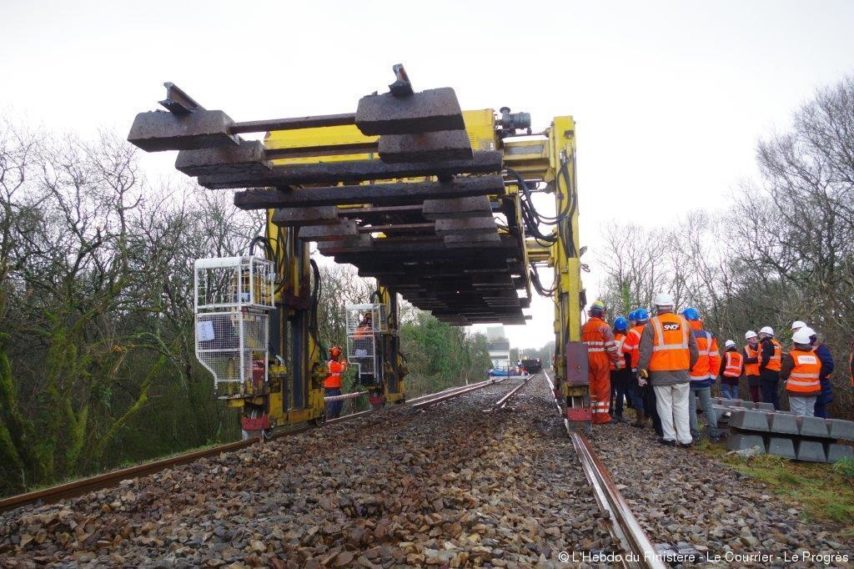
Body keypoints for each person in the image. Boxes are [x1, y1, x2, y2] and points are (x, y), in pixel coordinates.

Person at [637, 293, 698, 447]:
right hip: (682, 373)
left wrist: (641, 372)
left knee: (664, 406)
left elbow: (645, 352)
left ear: (657, 307)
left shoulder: (652, 324)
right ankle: (685, 439)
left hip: (660, 375)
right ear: (671, 306)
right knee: (682, 406)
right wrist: (688, 365)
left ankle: (669, 437)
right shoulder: (685, 323)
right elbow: (694, 350)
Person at [581, 300, 623, 424]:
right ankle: (602, 417)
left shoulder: (583, 328)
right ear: (601, 313)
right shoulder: (604, 327)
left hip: (586, 360)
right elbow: (611, 347)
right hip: (600, 360)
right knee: (603, 389)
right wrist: (616, 362)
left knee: (591, 389)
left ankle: (592, 415)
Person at [683, 308, 721, 442]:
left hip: (688, 378)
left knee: (691, 408)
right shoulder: (708, 336)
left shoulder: (684, 334)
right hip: (705, 378)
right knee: (708, 407)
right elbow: (715, 358)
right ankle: (714, 434)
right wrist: (713, 376)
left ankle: (694, 434)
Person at [623, 308, 661, 435]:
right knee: (650, 394)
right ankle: (651, 418)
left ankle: (640, 419)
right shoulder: (653, 328)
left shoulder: (633, 332)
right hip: (652, 366)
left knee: (637, 394)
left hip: (637, 367)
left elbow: (626, 349)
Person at [791, 321, 834, 418]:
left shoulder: (820, 349)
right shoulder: (809, 349)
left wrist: (816, 376)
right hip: (811, 387)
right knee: (811, 414)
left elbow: (828, 366)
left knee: (818, 414)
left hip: (820, 386)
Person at [780, 327, 821, 417]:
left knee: (799, 418)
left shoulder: (792, 355)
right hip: (813, 391)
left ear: (795, 343)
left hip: (797, 391)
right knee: (810, 415)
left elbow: (783, 374)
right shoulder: (814, 355)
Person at [610, 316, 632, 422]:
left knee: (610, 391)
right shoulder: (625, 338)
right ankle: (618, 413)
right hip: (622, 369)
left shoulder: (610, 338)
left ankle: (609, 412)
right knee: (620, 391)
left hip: (610, 369)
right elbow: (628, 354)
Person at [758, 326, 783, 409]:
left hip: (767, 372)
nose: (760, 336)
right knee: (774, 395)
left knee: (767, 395)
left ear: (765, 334)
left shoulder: (766, 343)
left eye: (761, 334)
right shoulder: (777, 344)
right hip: (776, 372)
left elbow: (765, 358)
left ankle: (768, 415)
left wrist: (760, 368)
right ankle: (777, 412)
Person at [324, 346, 348, 419]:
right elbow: (342, 369)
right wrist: (344, 362)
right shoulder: (333, 364)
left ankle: (336, 418)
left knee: (339, 402)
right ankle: (330, 419)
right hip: (332, 387)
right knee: (332, 404)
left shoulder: (332, 363)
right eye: (338, 355)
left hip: (335, 387)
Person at [743, 330, 762, 403]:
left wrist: (752, 359)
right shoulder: (745, 348)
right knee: (754, 393)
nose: (754, 339)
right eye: (752, 338)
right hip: (751, 373)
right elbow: (745, 360)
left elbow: (764, 357)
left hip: (761, 371)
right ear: (748, 340)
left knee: (764, 391)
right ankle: (756, 406)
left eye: (755, 337)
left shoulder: (761, 346)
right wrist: (757, 358)